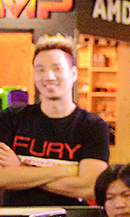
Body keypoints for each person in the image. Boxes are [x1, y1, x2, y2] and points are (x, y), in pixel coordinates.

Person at [0, 35, 110, 206]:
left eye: (57, 68)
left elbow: (88, 188)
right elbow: (2, 178)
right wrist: (67, 170)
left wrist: (21, 170)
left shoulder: (93, 126)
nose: (49, 76)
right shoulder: (11, 118)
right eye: (40, 69)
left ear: (73, 74)